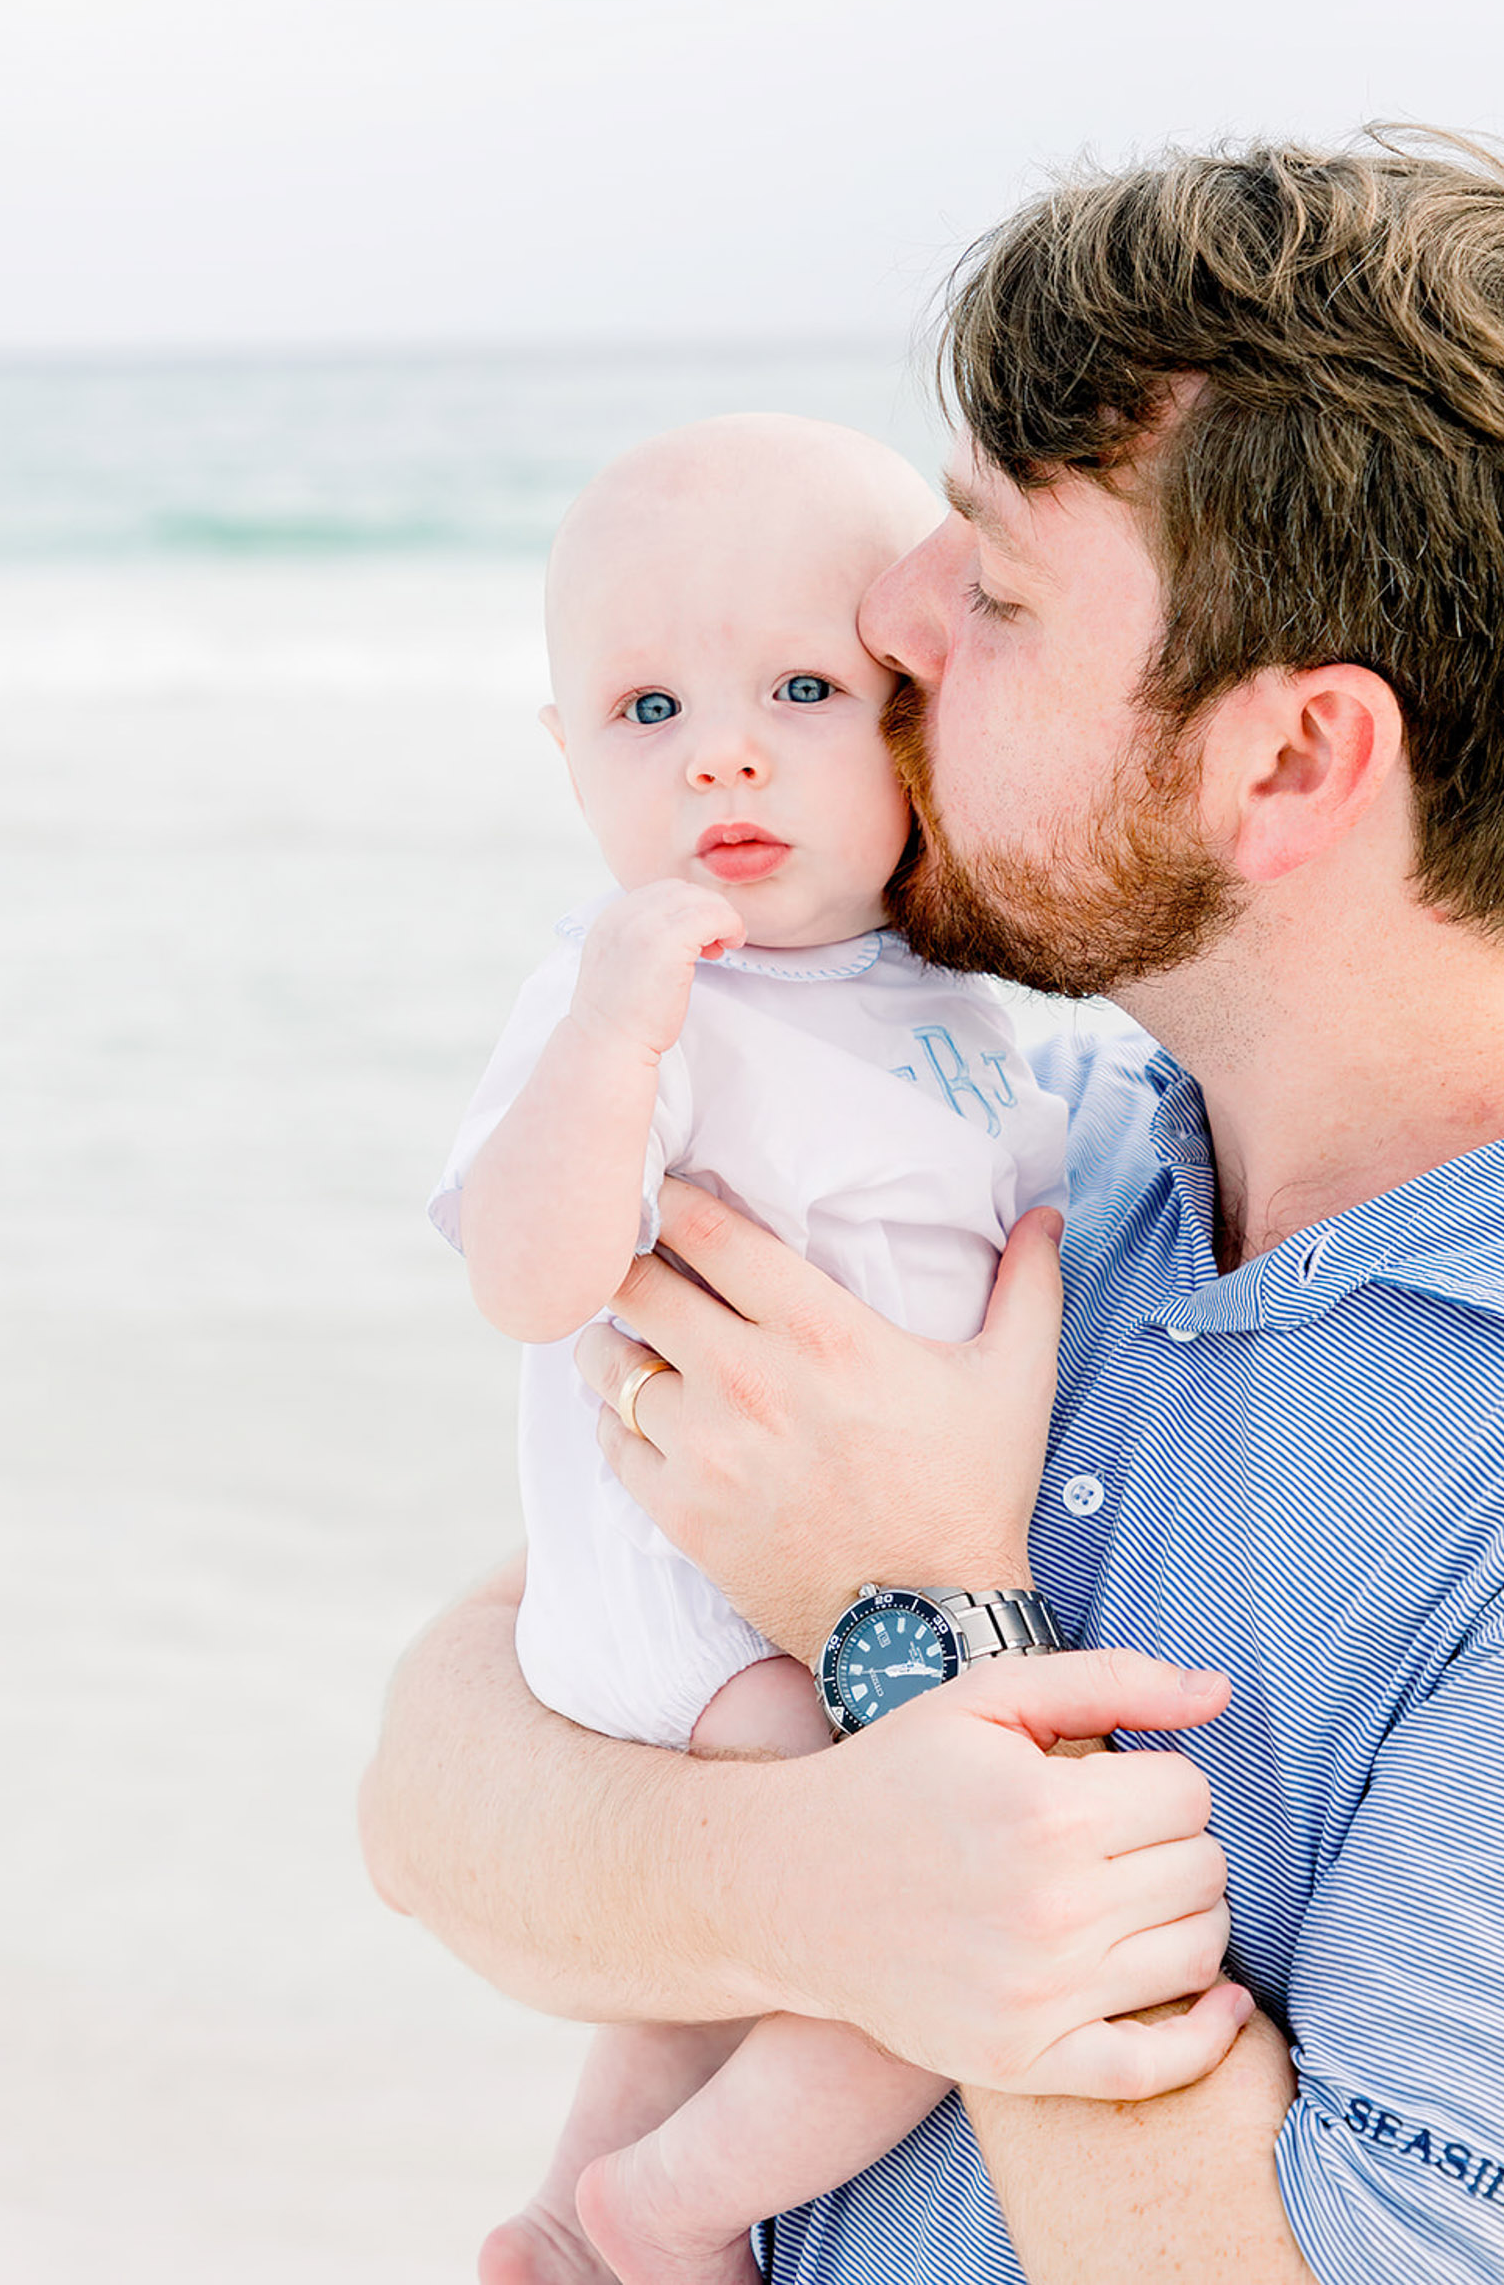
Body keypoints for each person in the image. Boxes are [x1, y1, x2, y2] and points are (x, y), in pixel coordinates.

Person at [361, 130, 1504, 2284]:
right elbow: (437, 1783)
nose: (886, 619)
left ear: (1289, 765)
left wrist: (922, 1608)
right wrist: (806, 1873)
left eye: (996, 586)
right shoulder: (1071, 1127)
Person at [430, 413, 1086, 2285]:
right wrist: (615, 1038)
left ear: (912, 724)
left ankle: (568, 2216)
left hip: (831, 1576)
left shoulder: (942, 989)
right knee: (920, 1937)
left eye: (800, 687)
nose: (720, 749)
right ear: (569, 762)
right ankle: (678, 2208)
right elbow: (535, 1282)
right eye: (645, 711)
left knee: (711, 1974)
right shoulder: (632, 992)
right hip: (695, 1599)